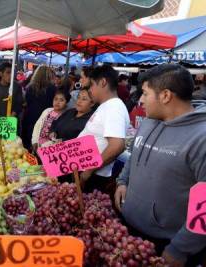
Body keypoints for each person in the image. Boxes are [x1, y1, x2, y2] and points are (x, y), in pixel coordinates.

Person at [114, 64, 206, 267]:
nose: (140, 100)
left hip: (167, 245)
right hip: (128, 230)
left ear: (165, 95)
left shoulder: (201, 138)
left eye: (145, 94)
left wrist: (180, 248)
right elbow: (135, 154)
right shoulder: (148, 121)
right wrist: (123, 181)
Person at [78, 65, 129, 193]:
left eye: (92, 85)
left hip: (94, 176)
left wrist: (89, 171)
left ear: (103, 82)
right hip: (87, 171)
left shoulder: (114, 107)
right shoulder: (106, 106)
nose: (90, 90)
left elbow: (117, 145)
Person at [21, 65, 56, 149]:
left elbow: (27, 101)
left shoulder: (30, 87)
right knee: (40, 142)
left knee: (28, 141)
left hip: (30, 116)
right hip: (45, 118)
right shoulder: (53, 89)